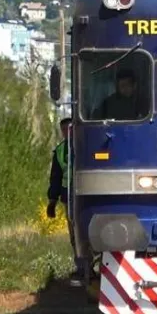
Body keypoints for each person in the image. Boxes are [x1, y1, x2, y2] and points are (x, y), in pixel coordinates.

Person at [47, 117, 86, 287]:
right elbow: (55, 178)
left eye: (69, 129)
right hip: (68, 197)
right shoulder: (61, 150)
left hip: (85, 195)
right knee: (74, 234)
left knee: (86, 231)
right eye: (63, 130)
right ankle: (82, 268)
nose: (66, 133)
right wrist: (52, 201)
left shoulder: (86, 145)